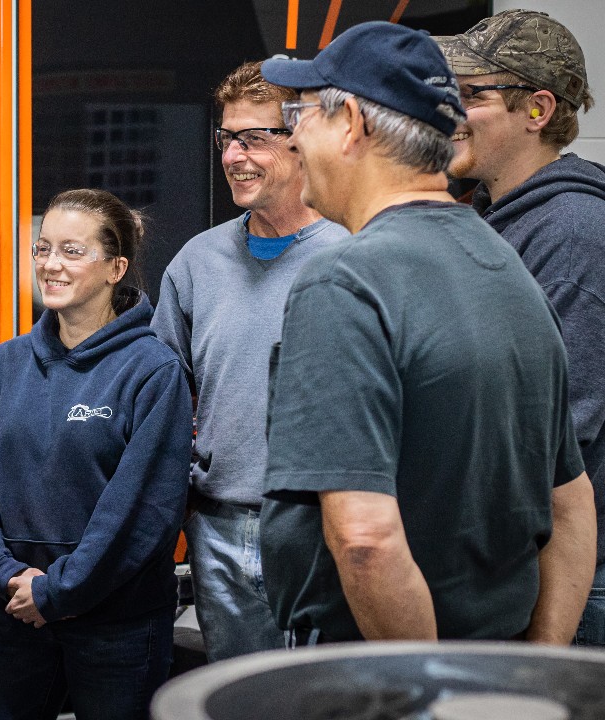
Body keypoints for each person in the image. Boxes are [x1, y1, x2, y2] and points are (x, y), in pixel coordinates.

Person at [258, 22, 594, 644]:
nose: (292, 134)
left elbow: (364, 539)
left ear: (351, 123)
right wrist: (532, 669)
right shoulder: (506, 265)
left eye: (301, 113)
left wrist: (422, 694)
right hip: (494, 668)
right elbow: (572, 506)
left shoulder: (346, 281)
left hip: (373, 672)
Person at [0, 189, 189, 719]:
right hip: (17, 611)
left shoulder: (152, 372)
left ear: (116, 268)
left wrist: (58, 590)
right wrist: (4, 577)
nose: (51, 265)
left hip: (117, 626)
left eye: (72, 251)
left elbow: (139, 515)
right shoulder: (0, 368)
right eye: (42, 249)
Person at [151, 60, 346, 661]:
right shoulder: (196, 262)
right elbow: (158, 398)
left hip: (326, 528)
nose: (234, 156)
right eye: (227, 137)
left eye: (255, 137)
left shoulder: (355, 256)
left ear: (302, 138)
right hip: (217, 529)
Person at [435, 9, 605, 647]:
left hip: (573, 580)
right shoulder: (490, 219)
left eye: (472, 95)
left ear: (537, 110)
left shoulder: (573, 236)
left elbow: (557, 445)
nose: (450, 112)